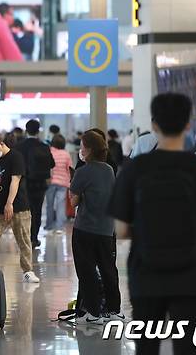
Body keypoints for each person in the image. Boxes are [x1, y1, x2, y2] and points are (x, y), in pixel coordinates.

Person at [109, 93, 196, 355]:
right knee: (188, 348)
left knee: (146, 347)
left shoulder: (135, 169)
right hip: (191, 276)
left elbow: (120, 230)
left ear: (154, 124)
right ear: (188, 124)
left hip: (146, 276)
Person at [70, 131, 124, 325]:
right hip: (106, 229)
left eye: (83, 146)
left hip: (85, 228)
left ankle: (92, 312)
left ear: (89, 150)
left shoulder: (82, 171)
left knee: (87, 271)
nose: (80, 149)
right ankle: (114, 310)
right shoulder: (109, 169)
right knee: (108, 269)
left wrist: (81, 194)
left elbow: (74, 200)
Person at [0, 133, 38, 283]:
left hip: (18, 206)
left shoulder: (16, 157)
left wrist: (9, 203)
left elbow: (15, 180)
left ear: (0, 145)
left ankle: (28, 271)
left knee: (24, 240)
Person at [16, 119, 55, 248]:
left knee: (23, 212)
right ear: (38, 131)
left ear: (26, 131)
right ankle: (34, 238)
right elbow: (52, 164)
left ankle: (25, 238)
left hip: (23, 185)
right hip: (39, 185)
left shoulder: (19, 146)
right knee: (37, 211)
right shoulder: (44, 146)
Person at [45, 135, 72, 235]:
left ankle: (49, 226)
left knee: (49, 205)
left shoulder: (49, 152)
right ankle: (59, 227)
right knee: (61, 205)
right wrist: (69, 181)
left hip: (50, 182)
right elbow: (69, 168)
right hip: (63, 183)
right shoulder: (66, 154)